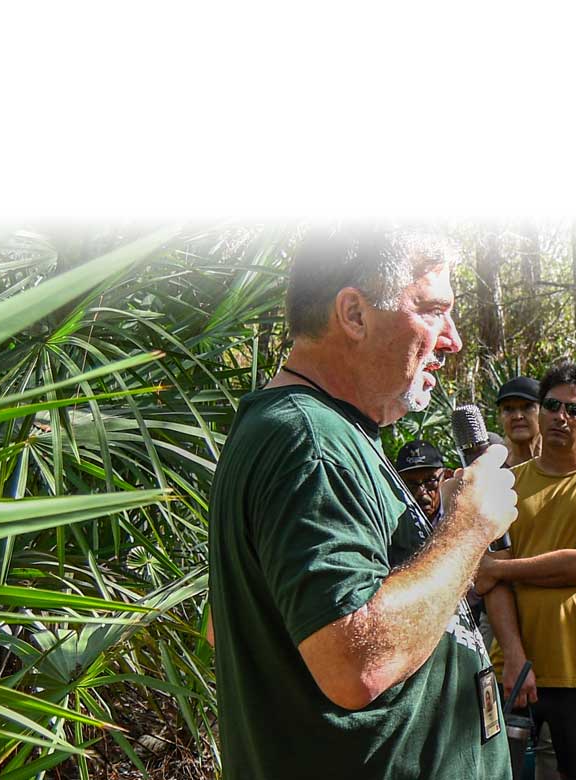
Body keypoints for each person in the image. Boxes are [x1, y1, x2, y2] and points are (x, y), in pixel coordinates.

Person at [208, 229, 516, 779]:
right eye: (433, 311)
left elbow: (226, 623)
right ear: (354, 314)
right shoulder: (309, 440)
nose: (453, 339)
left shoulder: (323, 431)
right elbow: (357, 664)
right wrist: (468, 528)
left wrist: (445, 526)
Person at [479, 362, 576, 780]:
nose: (560, 416)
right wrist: (514, 655)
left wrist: (502, 568)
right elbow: (491, 583)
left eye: (574, 410)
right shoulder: (506, 486)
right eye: (551, 405)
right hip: (512, 669)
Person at [395, 439, 453, 525]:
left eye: (430, 481)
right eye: (411, 484)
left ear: (446, 477)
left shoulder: (460, 514)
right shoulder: (395, 522)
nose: (421, 492)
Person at [497, 374, 542, 469]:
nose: (517, 416)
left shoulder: (562, 462)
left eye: (527, 407)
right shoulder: (493, 467)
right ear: (500, 416)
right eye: (508, 409)